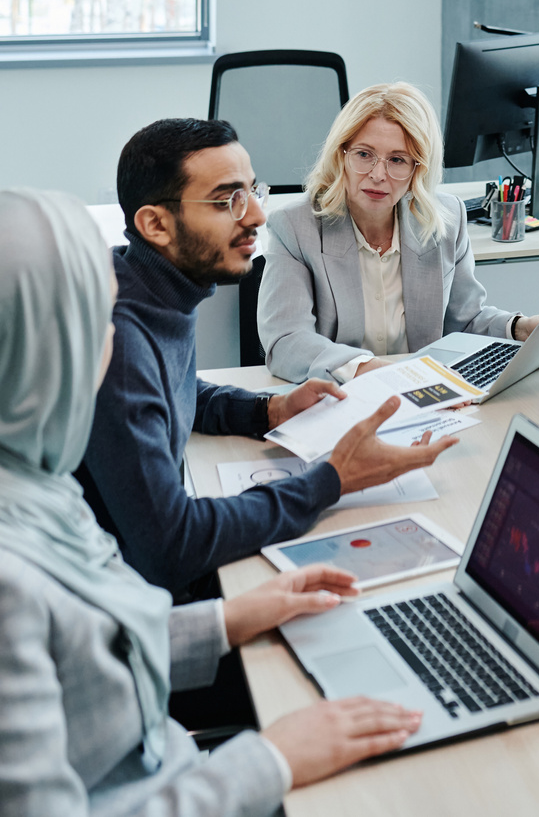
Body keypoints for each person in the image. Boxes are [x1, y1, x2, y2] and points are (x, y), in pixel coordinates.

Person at [0, 187, 423, 813]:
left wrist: (229, 620)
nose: (112, 347)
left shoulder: (37, 486)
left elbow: (93, 657)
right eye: (93, 323)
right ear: (38, 349)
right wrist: (270, 759)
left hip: (174, 762)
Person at [79, 118, 455, 599]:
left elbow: (174, 388)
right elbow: (171, 544)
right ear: (155, 224)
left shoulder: (148, 284)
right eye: (227, 199)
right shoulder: (121, 339)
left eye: (253, 190)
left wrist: (267, 410)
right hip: (126, 609)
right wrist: (332, 480)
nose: (256, 215)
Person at [258, 81, 539, 383]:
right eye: (364, 154)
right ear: (341, 155)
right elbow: (287, 341)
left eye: (397, 160)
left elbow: (463, 321)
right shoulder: (296, 226)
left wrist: (520, 328)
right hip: (339, 397)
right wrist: (367, 369)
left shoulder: (447, 219)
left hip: (424, 398)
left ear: (418, 169)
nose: (378, 175)